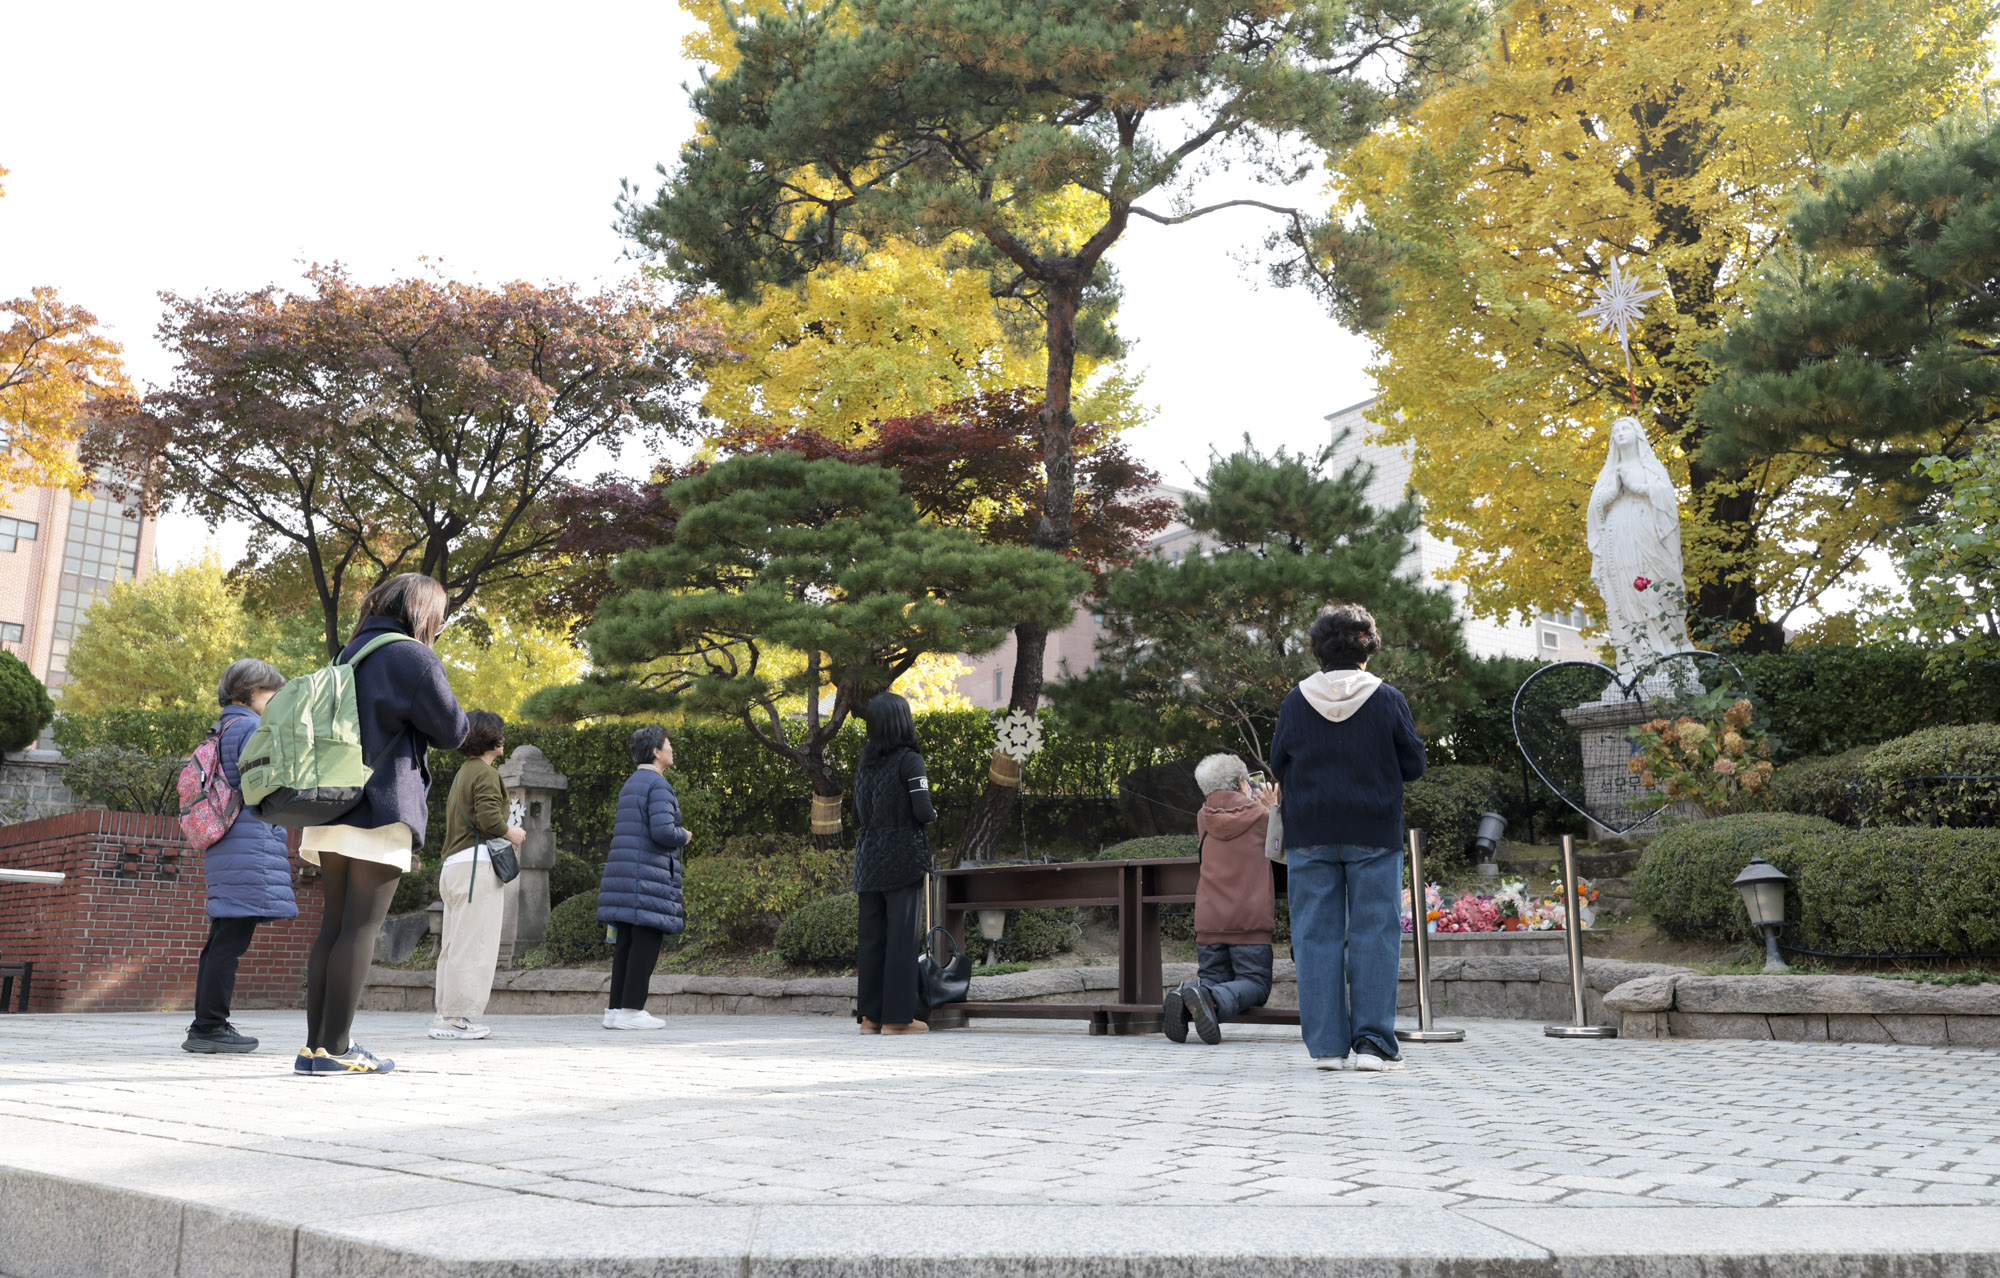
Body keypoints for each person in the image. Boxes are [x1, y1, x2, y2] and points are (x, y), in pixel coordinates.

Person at [298, 574, 469, 1076]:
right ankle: (340, 1048)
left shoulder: (347, 654)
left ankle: (315, 1049)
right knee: (362, 927)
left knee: (333, 925)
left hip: (329, 805)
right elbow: (454, 730)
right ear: (423, 613)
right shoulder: (412, 656)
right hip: (382, 805)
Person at [1269, 603, 1426, 1073]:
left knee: (1315, 936)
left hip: (1310, 832)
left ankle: (1327, 1048)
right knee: (1374, 934)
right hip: (1373, 831)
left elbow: (1279, 763)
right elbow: (1414, 764)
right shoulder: (1387, 698)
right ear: (1370, 646)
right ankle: (1374, 1046)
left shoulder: (1296, 701)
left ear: (1318, 649)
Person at [183, 659, 295, 1054]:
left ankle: (207, 1024)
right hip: (247, 847)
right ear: (250, 692)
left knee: (222, 938)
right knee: (229, 941)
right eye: (271, 693)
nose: (276, 700)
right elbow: (263, 785)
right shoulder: (249, 727)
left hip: (231, 846)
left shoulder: (224, 727)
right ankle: (209, 1027)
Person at [1165, 753, 1278, 1046]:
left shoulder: (1203, 817)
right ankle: (1210, 998)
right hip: (1249, 921)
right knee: (1255, 984)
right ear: (1243, 782)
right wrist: (1275, 810)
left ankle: (1181, 994)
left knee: (1213, 978)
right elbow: (1281, 848)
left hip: (1209, 921)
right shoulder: (1263, 817)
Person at [429, 711, 526, 1041]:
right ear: (492, 738)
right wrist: (511, 832)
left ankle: (446, 1015)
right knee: (474, 946)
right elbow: (488, 818)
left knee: (453, 946)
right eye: (501, 732)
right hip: (476, 868)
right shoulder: (484, 773)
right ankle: (457, 1018)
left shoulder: (463, 773)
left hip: (455, 866)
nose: (504, 737)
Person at [851, 691, 936, 1036]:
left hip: (868, 858)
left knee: (872, 939)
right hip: (903, 858)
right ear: (903, 720)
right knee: (902, 939)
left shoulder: (864, 763)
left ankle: (870, 1017)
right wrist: (933, 813)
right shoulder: (910, 761)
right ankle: (897, 1019)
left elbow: (857, 816)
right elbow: (923, 812)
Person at [596, 725, 691, 1030]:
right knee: (646, 940)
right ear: (656, 751)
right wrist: (684, 835)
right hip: (647, 877)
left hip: (625, 876)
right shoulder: (658, 784)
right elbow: (663, 831)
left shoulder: (632, 783)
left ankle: (615, 1009)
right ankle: (632, 1010)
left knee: (626, 941)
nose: (672, 749)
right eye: (668, 744)